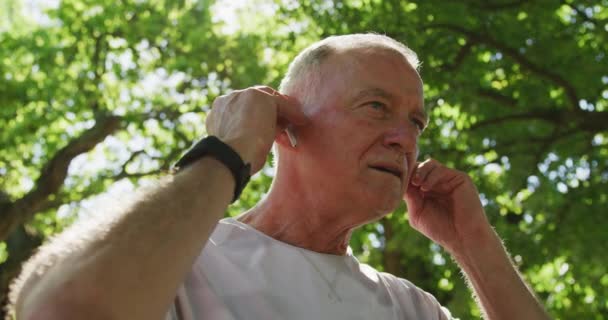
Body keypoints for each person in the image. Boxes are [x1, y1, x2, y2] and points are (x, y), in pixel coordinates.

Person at [10, 34, 550, 320]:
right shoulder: (178, 255)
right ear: (287, 125)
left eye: (415, 122)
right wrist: (228, 151)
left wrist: (475, 245)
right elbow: (65, 309)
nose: (404, 140)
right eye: (376, 107)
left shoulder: (411, 308)